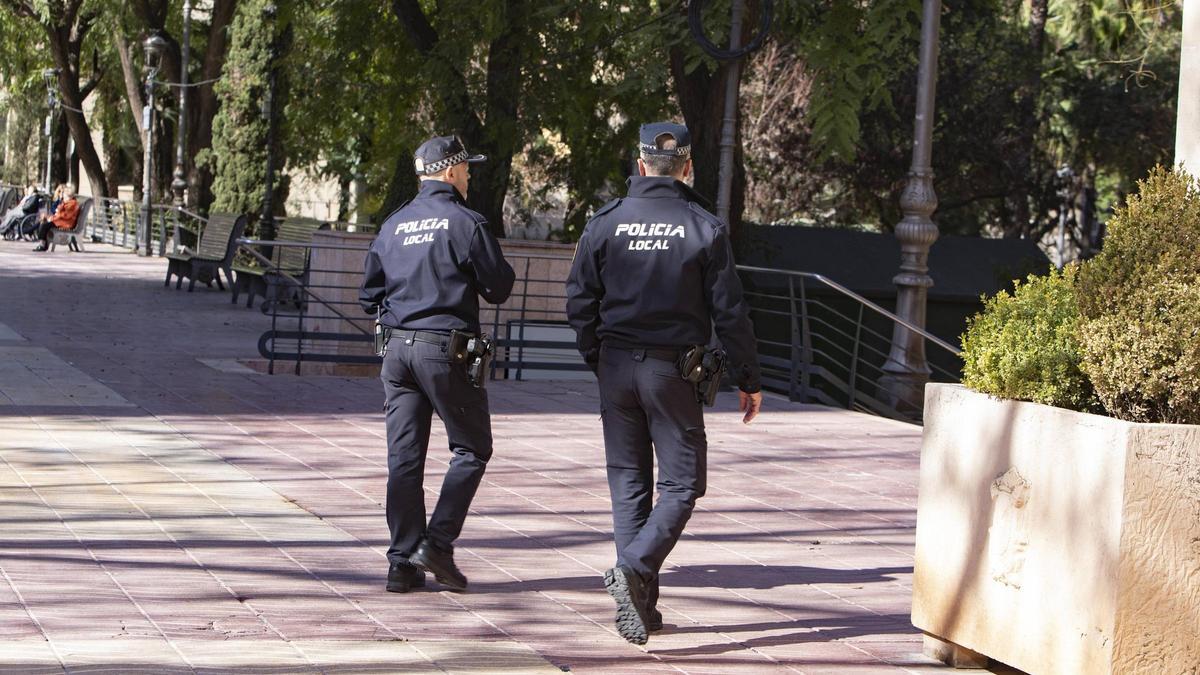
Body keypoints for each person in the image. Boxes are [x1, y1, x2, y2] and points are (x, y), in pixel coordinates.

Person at [565, 121, 763, 645]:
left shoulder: (604, 222)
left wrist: (598, 357)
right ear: (688, 167)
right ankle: (633, 569)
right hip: (672, 370)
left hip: (616, 364)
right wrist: (749, 375)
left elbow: (579, 300)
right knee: (683, 483)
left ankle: (641, 606)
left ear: (640, 163)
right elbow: (730, 311)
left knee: (629, 483)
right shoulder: (703, 226)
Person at [359, 135, 515, 594]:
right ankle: (438, 544)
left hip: (396, 352)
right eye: (467, 169)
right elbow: (499, 286)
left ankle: (402, 563)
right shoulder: (465, 223)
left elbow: (368, 294)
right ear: (450, 172)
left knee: (403, 460)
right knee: (472, 448)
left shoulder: (394, 225)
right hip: (445, 350)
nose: (469, 176)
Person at [33, 184, 79, 252]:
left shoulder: (72, 204)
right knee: (42, 221)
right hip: (61, 221)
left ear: (69, 196)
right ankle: (43, 243)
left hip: (65, 223)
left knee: (44, 225)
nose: (63, 197)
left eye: (64, 195)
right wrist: (50, 217)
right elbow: (59, 213)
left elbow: (66, 215)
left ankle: (42, 244)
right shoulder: (67, 202)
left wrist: (53, 216)